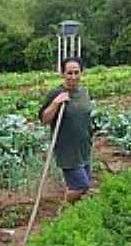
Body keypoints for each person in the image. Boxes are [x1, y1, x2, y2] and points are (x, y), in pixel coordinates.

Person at [38, 57, 94, 203]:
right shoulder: (56, 93)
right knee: (81, 185)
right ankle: (64, 209)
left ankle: (74, 216)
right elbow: (45, 119)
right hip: (67, 151)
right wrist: (56, 103)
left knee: (83, 186)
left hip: (84, 147)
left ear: (82, 73)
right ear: (62, 74)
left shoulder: (84, 92)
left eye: (76, 72)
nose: (73, 77)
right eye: (69, 73)